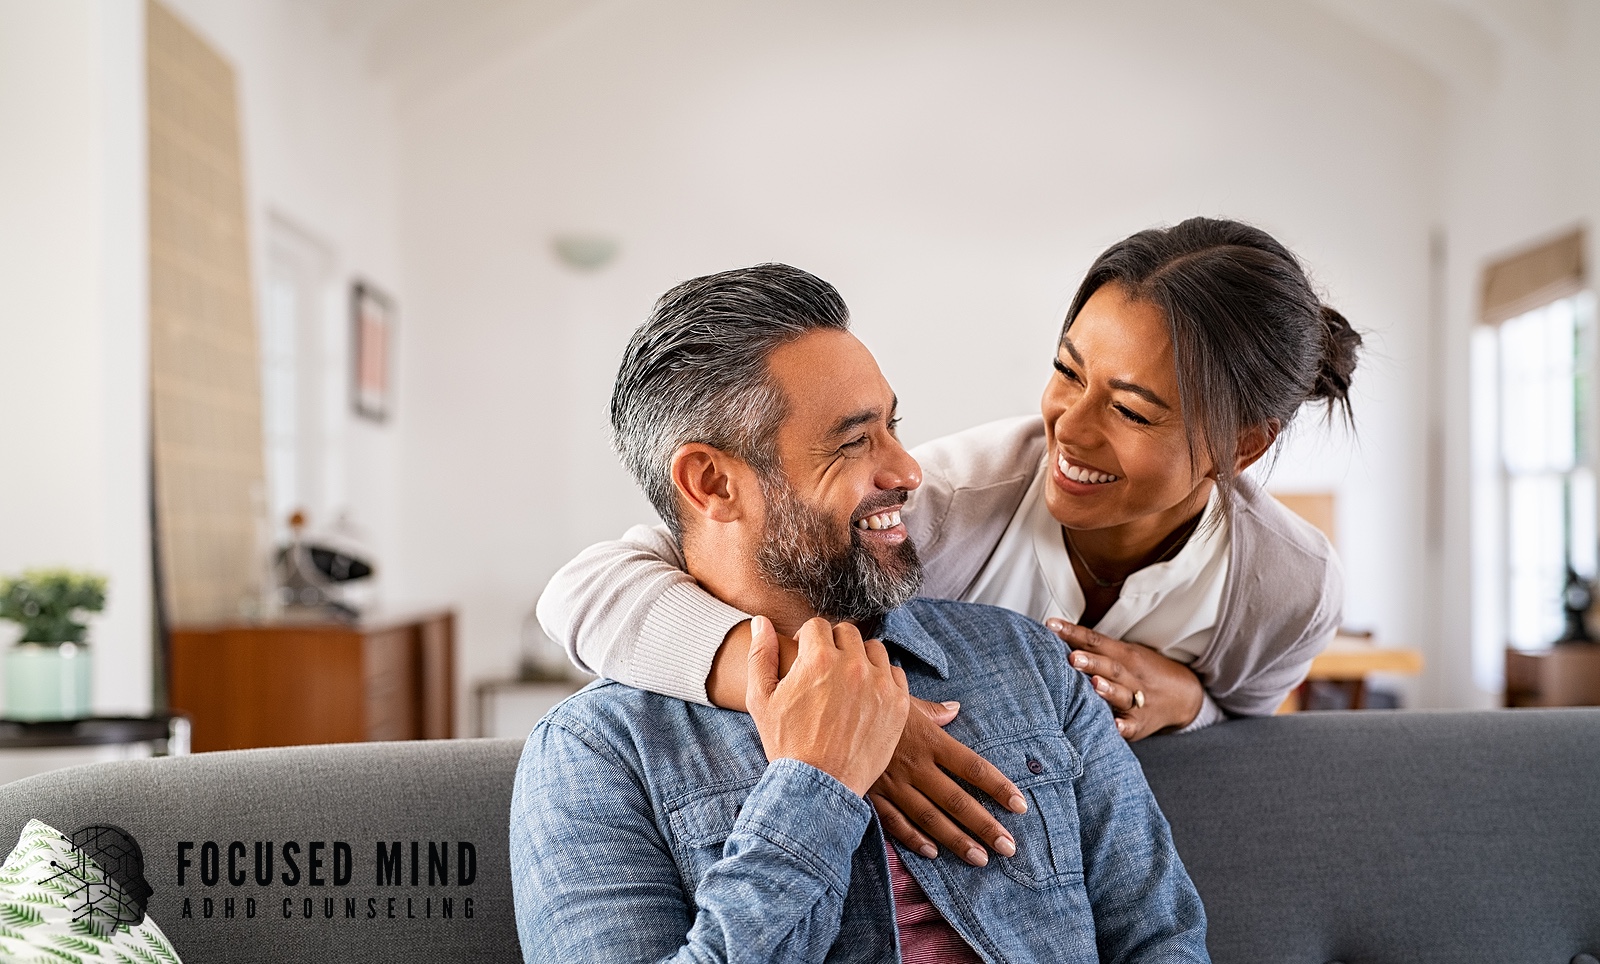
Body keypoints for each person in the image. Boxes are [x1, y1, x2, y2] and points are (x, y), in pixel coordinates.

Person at [539, 218, 1360, 867]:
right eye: (1067, 372)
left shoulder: (1289, 587)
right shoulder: (945, 503)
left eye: (1132, 410)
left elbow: (1243, 734)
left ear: (1241, 446)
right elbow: (588, 590)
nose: (1069, 429)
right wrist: (842, 705)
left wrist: (1190, 702)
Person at [510, 264, 1209, 963]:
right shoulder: (597, 752)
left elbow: (1162, 941)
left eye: (892, 426)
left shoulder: (1029, 663)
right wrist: (814, 787)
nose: (907, 471)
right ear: (713, 482)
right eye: (853, 441)